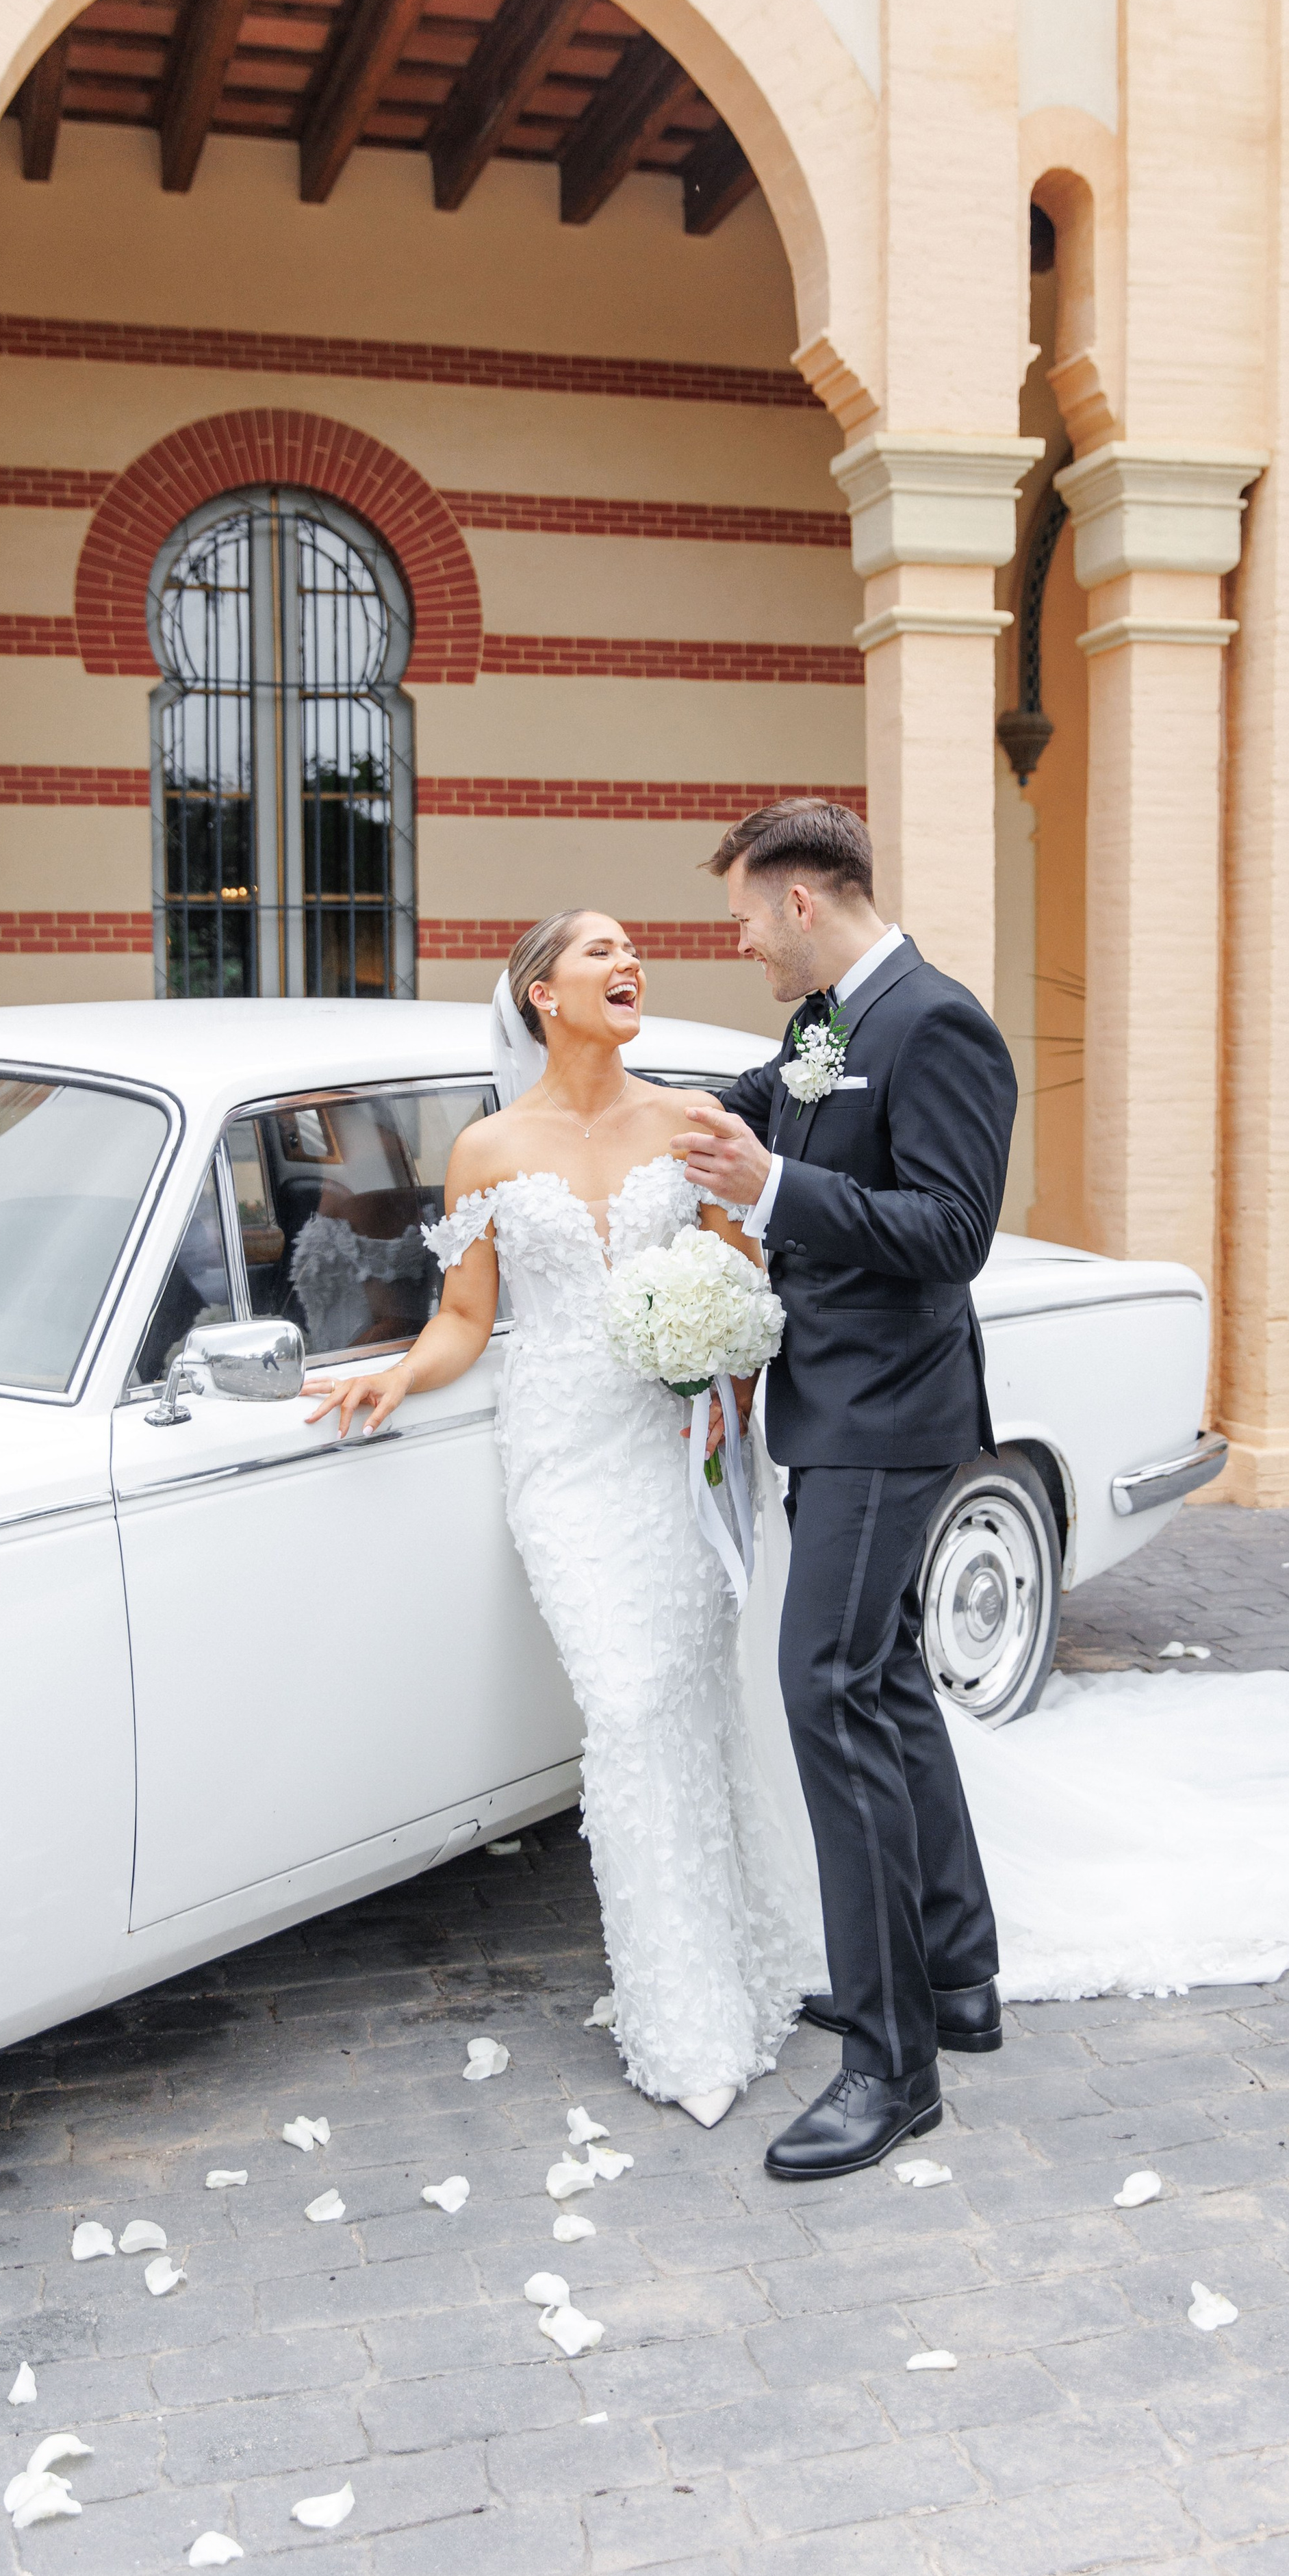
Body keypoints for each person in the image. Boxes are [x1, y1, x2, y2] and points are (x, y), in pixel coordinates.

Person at [302, 909, 824, 2128]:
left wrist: (724, 1376)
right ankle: (682, 2017)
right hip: (565, 1460)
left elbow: (743, 1282)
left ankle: (731, 1975)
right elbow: (468, 1319)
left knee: (686, 1704)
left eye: (635, 946)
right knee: (630, 1707)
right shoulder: (485, 1148)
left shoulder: (695, 1126)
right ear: (541, 993)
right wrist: (396, 1373)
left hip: (676, 1444)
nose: (628, 959)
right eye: (599, 949)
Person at [672, 799, 1019, 2178]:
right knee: (877, 1684)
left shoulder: (932, 1023)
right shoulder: (825, 1022)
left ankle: (890, 2069)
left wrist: (767, 1190)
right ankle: (953, 1976)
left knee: (823, 1689)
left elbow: (950, 1235)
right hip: (837, 1405)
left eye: (745, 916)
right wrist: (642, 1108)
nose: (740, 939)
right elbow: (773, 1102)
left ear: (802, 903)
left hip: (885, 1412)